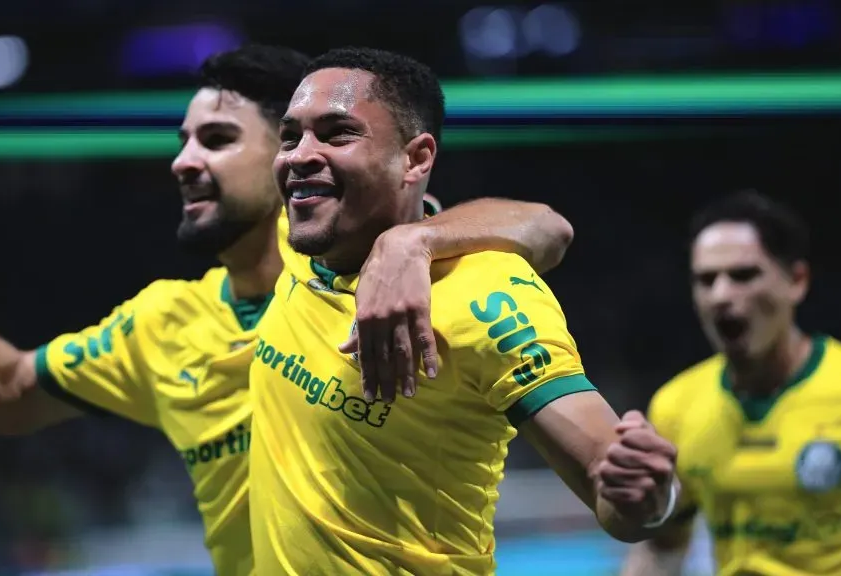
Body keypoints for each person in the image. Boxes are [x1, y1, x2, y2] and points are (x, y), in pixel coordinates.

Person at [0, 45, 576, 575]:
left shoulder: (373, 273)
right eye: (182, 141)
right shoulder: (164, 324)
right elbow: (9, 392)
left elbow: (542, 224)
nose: (183, 162)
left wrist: (411, 241)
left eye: (216, 140)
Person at [248, 46, 679, 575]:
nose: (300, 155)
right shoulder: (297, 238)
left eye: (338, 134)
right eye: (291, 136)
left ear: (416, 159)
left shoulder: (483, 293)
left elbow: (609, 486)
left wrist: (647, 496)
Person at [621, 191, 841, 576]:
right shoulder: (677, 404)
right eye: (706, 280)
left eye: (743, 275)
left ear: (797, 281)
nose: (721, 295)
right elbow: (663, 548)